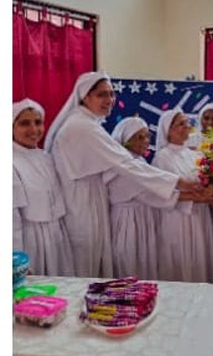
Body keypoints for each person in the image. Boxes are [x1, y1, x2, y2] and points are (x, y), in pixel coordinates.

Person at [44, 71, 198, 278]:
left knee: (94, 265)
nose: (109, 100)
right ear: (85, 97)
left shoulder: (87, 123)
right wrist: (179, 182)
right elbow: (126, 163)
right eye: (101, 95)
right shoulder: (81, 126)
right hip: (81, 202)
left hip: (90, 198)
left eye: (111, 94)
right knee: (84, 264)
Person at [106, 117, 179, 279]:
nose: (146, 141)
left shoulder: (139, 160)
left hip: (142, 219)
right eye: (140, 137)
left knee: (145, 263)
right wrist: (196, 196)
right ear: (125, 139)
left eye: (147, 136)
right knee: (130, 265)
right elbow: (150, 195)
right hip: (128, 222)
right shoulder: (122, 166)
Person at [152, 109, 213, 282]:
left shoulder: (194, 154)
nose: (186, 127)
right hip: (177, 219)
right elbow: (162, 194)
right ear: (168, 130)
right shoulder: (162, 157)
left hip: (200, 216)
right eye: (181, 124)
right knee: (181, 262)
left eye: (187, 123)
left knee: (200, 259)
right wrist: (195, 197)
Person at [13, 99, 74, 276]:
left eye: (38, 122)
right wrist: (16, 260)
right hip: (29, 241)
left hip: (56, 238)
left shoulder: (46, 157)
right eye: (25, 123)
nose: (33, 129)